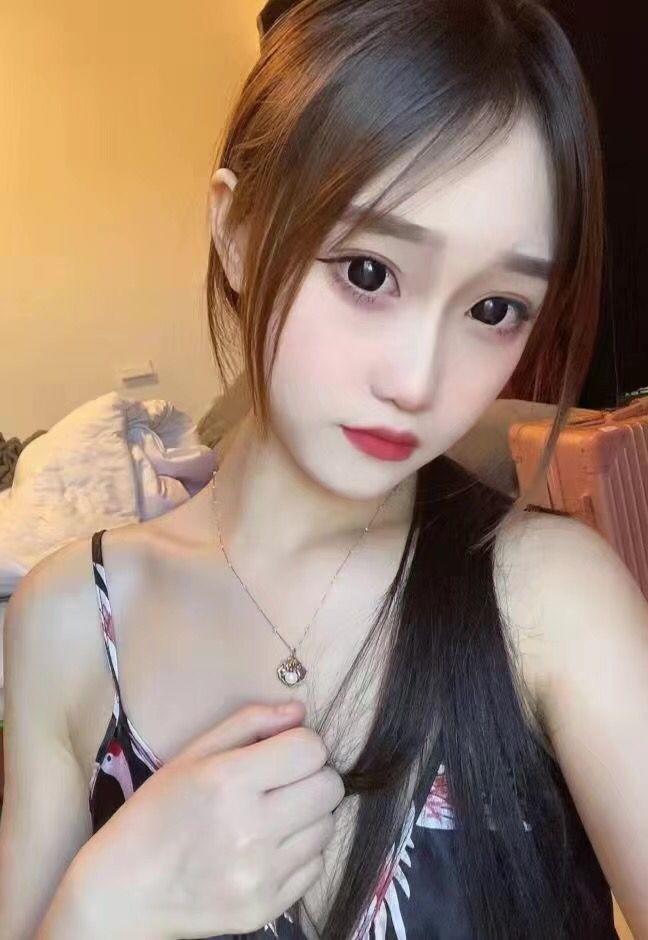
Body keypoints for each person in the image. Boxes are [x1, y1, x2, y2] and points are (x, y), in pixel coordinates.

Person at [1, 1, 647, 938]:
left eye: (495, 309)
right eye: (369, 273)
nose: (418, 382)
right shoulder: (66, 622)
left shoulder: (549, 600)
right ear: (236, 230)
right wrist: (96, 912)